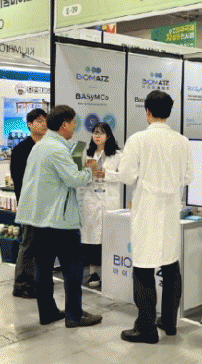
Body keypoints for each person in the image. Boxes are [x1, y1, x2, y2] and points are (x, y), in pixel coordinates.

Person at [15, 105, 104, 328]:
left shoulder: (40, 146)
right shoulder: (56, 149)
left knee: (43, 269)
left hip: (40, 219)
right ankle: (74, 315)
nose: (74, 127)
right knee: (73, 268)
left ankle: (47, 312)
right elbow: (74, 179)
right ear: (64, 124)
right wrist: (90, 170)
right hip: (60, 220)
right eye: (73, 123)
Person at [118, 90, 193, 344]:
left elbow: (126, 176)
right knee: (171, 266)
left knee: (143, 268)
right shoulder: (182, 141)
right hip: (170, 210)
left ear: (147, 112)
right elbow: (188, 177)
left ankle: (146, 327)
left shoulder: (138, 140)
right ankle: (170, 322)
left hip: (147, 210)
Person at [77, 121, 122, 287]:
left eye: (101, 133)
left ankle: (109, 273)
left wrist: (106, 174)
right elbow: (79, 175)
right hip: (91, 200)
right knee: (91, 239)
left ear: (108, 136)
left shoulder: (117, 155)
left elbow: (124, 176)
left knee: (108, 238)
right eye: (95, 132)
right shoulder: (87, 154)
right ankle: (93, 273)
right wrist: (88, 173)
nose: (97, 136)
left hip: (109, 201)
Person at [10, 108, 48, 299]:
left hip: (47, 203)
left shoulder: (48, 146)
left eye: (45, 120)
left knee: (42, 245)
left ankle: (36, 281)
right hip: (30, 204)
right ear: (30, 124)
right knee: (29, 243)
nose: (43, 124)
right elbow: (18, 180)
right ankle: (22, 284)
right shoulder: (21, 149)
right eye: (38, 121)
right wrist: (24, 204)